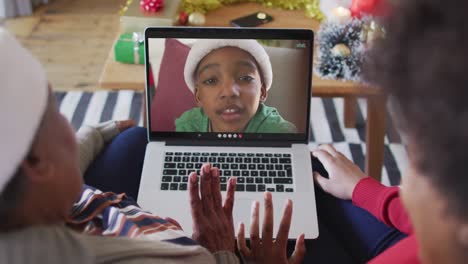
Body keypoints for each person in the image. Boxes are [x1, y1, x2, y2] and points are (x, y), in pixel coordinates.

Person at [0, 28, 306, 264]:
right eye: (56, 114)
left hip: (113, 207)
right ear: (37, 162)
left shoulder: (37, 205)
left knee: (136, 137)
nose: (229, 91)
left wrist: (93, 132)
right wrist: (222, 253)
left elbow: (58, 165)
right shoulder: (182, 259)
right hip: (205, 243)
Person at [236, 0, 468, 263]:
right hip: (409, 236)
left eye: (420, 166)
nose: (405, 185)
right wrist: (362, 188)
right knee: (313, 168)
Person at [175, 39, 297, 133]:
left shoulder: (279, 131)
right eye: (211, 80)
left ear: (262, 91)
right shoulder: (188, 124)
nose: (229, 92)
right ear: (198, 96)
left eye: (245, 78)